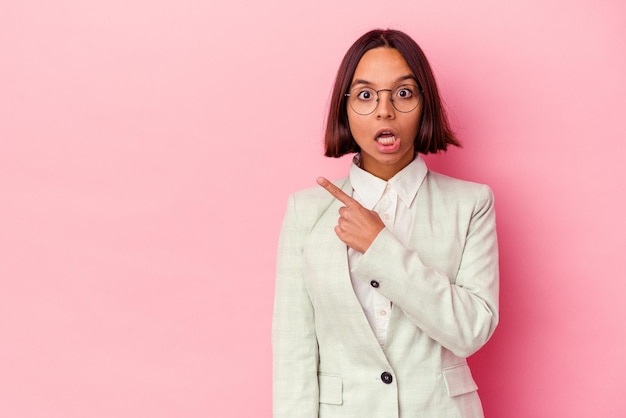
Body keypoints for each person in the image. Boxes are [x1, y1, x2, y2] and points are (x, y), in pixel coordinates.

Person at [272, 28, 499, 418]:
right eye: (365, 95)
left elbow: (471, 330)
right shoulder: (305, 211)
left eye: (404, 93)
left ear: (425, 104)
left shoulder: (471, 203)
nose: (385, 110)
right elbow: (294, 352)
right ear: (344, 109)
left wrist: (380, 247)